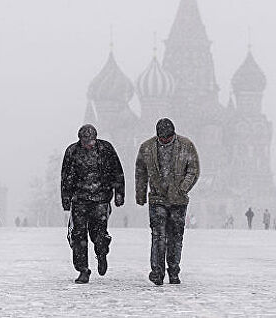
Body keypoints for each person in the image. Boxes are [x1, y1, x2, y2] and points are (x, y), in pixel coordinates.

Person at [135, 118, 200, 286]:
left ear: (173, 134)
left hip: (178, 200)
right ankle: (157, 272)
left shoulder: (186, 145)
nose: (164, 141)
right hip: (157, 198)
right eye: (161, 139)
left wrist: (183, 188)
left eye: (167, 138)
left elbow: (193, 170)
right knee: (158, 236)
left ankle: (173, 270)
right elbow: (141, 172)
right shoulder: (147, 147)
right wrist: (140, 195)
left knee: (175, 238)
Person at [61, 124, 125, 284]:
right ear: (80, 140)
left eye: (91, 141)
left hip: (101, 198)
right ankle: (83, 269)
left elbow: (117, 171)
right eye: (85, 141)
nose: (88, 144)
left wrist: (119, 193)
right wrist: (66, 198)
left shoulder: (106, 149)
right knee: (78, 235)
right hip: (80, 199)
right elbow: (66, 176)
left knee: (98, 233)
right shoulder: (72, 152)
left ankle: (102, 251)